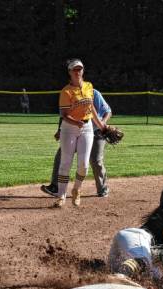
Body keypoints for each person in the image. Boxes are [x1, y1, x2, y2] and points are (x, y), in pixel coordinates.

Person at [107, 184, 163, 284]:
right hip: (137, 239)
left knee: (154, 276)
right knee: (149, 260)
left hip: (130, 243)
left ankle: (118, 272)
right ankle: (122, 275)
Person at [52, 58, 107, 208]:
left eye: (80, 69)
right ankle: (61, 196)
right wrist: (75, 122)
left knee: (83, 164)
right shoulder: (66, 91)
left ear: (83, 70)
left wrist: (101, 125)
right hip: (69, 128)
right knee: (65, 162)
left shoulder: (89, 86)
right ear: (69, 72)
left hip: (87, 127)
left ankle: (76, 189)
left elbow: (91, 108)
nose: (77, 72)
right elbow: (64, 114)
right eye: (74, 69)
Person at [41, 87, 112, 198]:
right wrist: (60, 130)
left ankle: (102, 188)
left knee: (96, 160)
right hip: (73, 130)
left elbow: (108, 111)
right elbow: (64, 114)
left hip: (96, 132)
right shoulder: (69, 94)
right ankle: (55, 187)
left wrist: (102, 124)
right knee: (61, 155)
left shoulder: (94, 93)